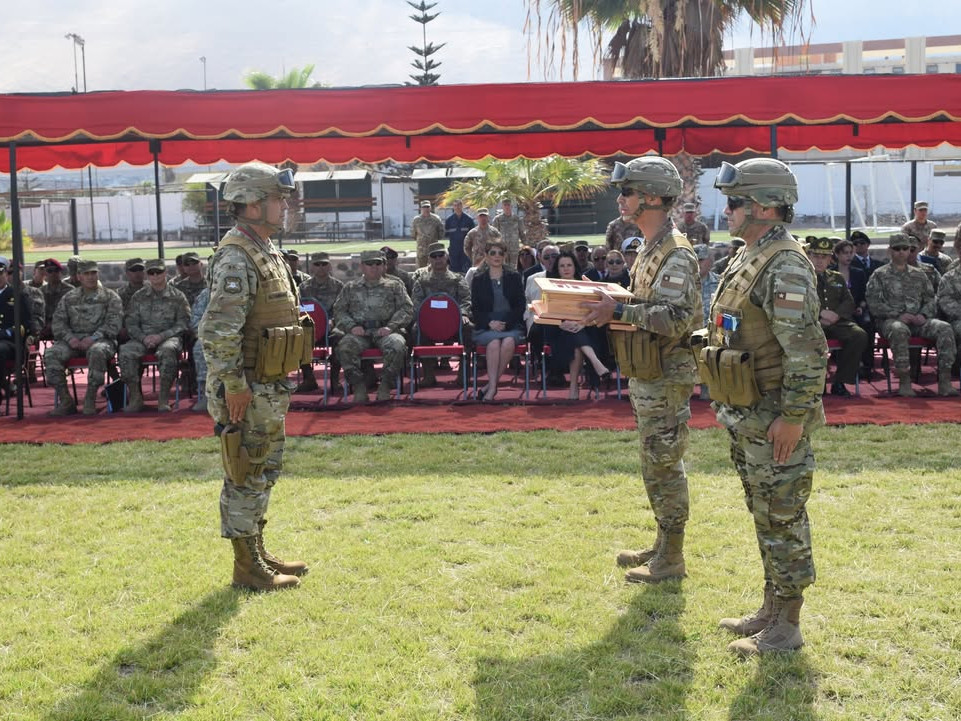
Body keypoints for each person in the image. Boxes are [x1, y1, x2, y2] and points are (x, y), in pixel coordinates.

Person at [704, 158, 826, 655]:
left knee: (783, 516)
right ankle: (770, 609)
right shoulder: (751, 254)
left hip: (776, 415)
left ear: (763, 206)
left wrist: (793, 417)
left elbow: (807, 350)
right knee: (764, 513)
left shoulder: (785, 264)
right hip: (750, 412)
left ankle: (788, 626)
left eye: (735, 202)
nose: (727, 210)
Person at [582, 156, 701, 586]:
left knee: (664, 464)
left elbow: (675, 318)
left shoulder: (675, 254)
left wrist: (618, 309)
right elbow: (646, 307)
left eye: (627, 191)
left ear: (650, 198)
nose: (621, 198)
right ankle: (663, 544)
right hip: (649, 373)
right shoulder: (652, 248)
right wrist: (613, 302)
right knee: (655, 463)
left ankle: (671, 557)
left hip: (666, 376)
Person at [199, 161, 309, 592]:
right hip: (247, 387)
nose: (284, 206)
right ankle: (246, 566)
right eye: (278, 199)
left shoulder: (263, 248)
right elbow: (218, 330)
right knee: (244, 471)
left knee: (264, 468)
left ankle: (256, 549)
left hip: (268, 383)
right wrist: (235, 387)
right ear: (253, 204)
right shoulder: (236, 256)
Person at [866, 232, 958, 397]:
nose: (901, 252)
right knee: (898, 329)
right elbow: (873, 303)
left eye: (905, 248)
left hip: (918, 321)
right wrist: (897, 314)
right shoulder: (879, 274)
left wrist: (923, 315)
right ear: (890, 251)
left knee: (944, 328)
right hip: (891, 321)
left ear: (910, 251)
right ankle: (904, 381)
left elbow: (931, 299)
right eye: (897, 248)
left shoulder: (919, 274)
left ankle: (944, 381)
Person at [333, 249, 413, 403]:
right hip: (359, 332)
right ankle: (358, 386)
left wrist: (391, 326)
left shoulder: (395, 285)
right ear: (362, 266)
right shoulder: (351, 287)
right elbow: (339, 310)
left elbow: (406, 308)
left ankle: (385, 385)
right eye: (370, 264)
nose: (374, 267)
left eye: (378, 263)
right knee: (344, 347)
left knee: (397, 345)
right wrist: (351, 327)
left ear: (384, 266)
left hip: (386, 331)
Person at [45, 260, 123, 416]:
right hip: (72, 342)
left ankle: (90, 399)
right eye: (86, 274)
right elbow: (59, 324)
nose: (90, 277)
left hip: (101, 341)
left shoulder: (110, 297)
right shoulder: (69, 297)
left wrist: (93, 338)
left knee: (97, 352)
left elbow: (113, 324)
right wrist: (70, 339)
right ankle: (66, 401)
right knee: (51, 354)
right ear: (78, 276)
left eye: (93, 273)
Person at [120, 258, 191, 412]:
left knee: (168, 351)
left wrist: (161, 336)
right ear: (147, 276)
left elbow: (183, 323)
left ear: (165, 272)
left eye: (158, 272)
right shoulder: (138, 297)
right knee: (126, 352)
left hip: (168, 338)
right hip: (142, 338)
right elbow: (131, 323)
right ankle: (135, 397)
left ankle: (163, 398)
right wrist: (143, 338)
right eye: (151, 273)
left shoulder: (177, 296)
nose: (155, 275)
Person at [544, 251, 611, 399]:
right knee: (573, 336)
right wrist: (560, 324)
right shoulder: (551, 287)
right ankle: (595, 362)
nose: (566, 268)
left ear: (575, 267)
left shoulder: (586, 285)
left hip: (587, 329)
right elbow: (547, 313)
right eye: (562, 266)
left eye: (569, 265)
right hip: (559, 332)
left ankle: (574, 388)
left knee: (577, 340)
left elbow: (596, 310)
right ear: (558, 269)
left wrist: (582, 323)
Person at [806, 237, 868, 397]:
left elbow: (849, 301)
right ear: (809, 256)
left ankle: (840, 381)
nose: (820, 261)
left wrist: (837, 315)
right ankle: (818, 382)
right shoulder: (802, 278)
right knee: (811, 338)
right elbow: (797, 302)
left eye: (824, 257)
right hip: (812, 322)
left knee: (859, 335)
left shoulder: (836, 277)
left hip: (837, 321)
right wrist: (819, 313)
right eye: (816, 256)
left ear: (830, 258)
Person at [411, 242, 473, 387]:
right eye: (434, 256)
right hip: (429, 325)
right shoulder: (421, 281)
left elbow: (466, 299)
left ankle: (463, 374)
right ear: (429, 260)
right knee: (415, 330)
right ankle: (428, 374)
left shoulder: (457, 279)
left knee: (469, 328)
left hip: (454, 324)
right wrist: (424, 319)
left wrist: (463, 314)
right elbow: (417, 304)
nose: (438, 259)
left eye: (441, 255)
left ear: (447, 257)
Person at [471, 239, 526, 402]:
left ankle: (490, 386)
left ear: (505, 256)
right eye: (492, 253)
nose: (497, 256)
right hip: (486, 326)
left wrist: (506, 323)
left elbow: (520, 306)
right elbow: (476, 308)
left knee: (509, 342)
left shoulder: (514, 277)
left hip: (511, 324)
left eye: (500, 253)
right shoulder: (478, 279)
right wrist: (490, 322)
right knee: (494, 343)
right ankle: (493, 387)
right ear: (486, 256)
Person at [295, 251, 344, 394]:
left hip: (331, 329)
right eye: (317, 264)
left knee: (341, 338)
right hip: (310, 328)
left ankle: (335, 380)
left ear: (329, 267)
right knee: (296, 337)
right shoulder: (304, 288)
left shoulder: (338, 286)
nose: (321, 267)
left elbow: (342, 309)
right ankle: (309, 378)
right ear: (311, 267)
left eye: (324, 264)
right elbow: (299, 309)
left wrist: (333, 321)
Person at [831, 237, 873, 377]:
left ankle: (866, 364)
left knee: (866, 325)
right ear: (837, 254)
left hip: (855, 311)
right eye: (845, 253)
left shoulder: (858, 273)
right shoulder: (830, 273)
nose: (849, 256)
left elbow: (864, 295)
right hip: (835, 313)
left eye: (851, 252)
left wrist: (861, 306)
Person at [0, 257, 32, 401]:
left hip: (11, 343)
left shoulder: (17, 295)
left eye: (0, 273)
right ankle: (6, 386)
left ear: (6, 274)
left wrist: (6, 332)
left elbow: (26, 324)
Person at [40, 258, 72, 339]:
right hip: (45, 329)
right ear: (45, 273)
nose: (53, 273)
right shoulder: (40, 291)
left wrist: (54, 325)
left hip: (65, 328)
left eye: (56, 270)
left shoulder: (70, 290)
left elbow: (72, 315)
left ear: (60, 272)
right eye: (50, 271)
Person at [491, 196, 526, 270]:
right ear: (502, 206)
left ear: (511, 206)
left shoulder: (517, 219)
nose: (507, 207)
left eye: (508, 205)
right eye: (505, 205)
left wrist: (525, 245)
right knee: (503, 267)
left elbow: (522, 233)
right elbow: (494, 235)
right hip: (502, 249)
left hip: (514, 249)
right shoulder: (498, 219)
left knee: (513, 268)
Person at [189, 288, 210, 412]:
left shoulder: (239, 290)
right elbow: (195, 320)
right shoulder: (206, 294)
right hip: (211, 335)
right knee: (199, 347)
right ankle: (206, 394)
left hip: (237, 334)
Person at [411, 200, 446, 268]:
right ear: (421, 208)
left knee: (435, 268)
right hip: (421, 250)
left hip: (433, 250)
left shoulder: (436, 219)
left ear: (430, 208)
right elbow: (413, 234)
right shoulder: (416, 220)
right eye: (424, 207)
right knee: (421, 269)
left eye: (427, 207)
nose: (426, 209)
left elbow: (441, 233)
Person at [444, 199, 474, 273]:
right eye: (455, 205)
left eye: (459, 205)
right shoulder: (449, 220)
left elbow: (473, 236)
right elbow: (446, 235)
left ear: (462, 206)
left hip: (466, 251)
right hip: (453, 251)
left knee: (466, 272)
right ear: (453, 207)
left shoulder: (468, 220)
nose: (457, 207)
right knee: (454, 272)